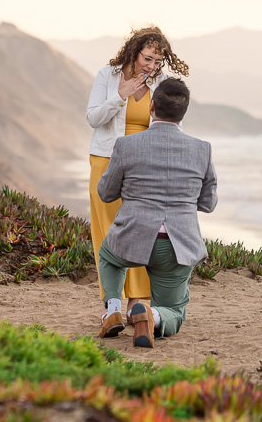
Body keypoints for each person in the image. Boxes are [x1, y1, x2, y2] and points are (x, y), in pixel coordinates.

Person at [95, 78, 217, 347]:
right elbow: (208, 203)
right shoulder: (202, 150)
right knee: (175, 310)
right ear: (183, 113)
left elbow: (105, 193)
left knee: (109, 257)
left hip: (132, 235)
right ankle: (153, 315)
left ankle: (113, 308)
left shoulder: (126, 145)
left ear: (152, 107)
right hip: (177, 245)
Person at [86, 26, 190, 323]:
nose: (152, 66)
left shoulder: (157, 85)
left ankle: (136, 304)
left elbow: (171, 126)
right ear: (134, 51)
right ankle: (112, 306)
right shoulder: (108, 76)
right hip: (106, 160)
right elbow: (93, 118)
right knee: (107, 233)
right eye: (148, 58)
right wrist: (120, 96)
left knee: (141, 231)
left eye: (158, 62)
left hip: (143, 167)